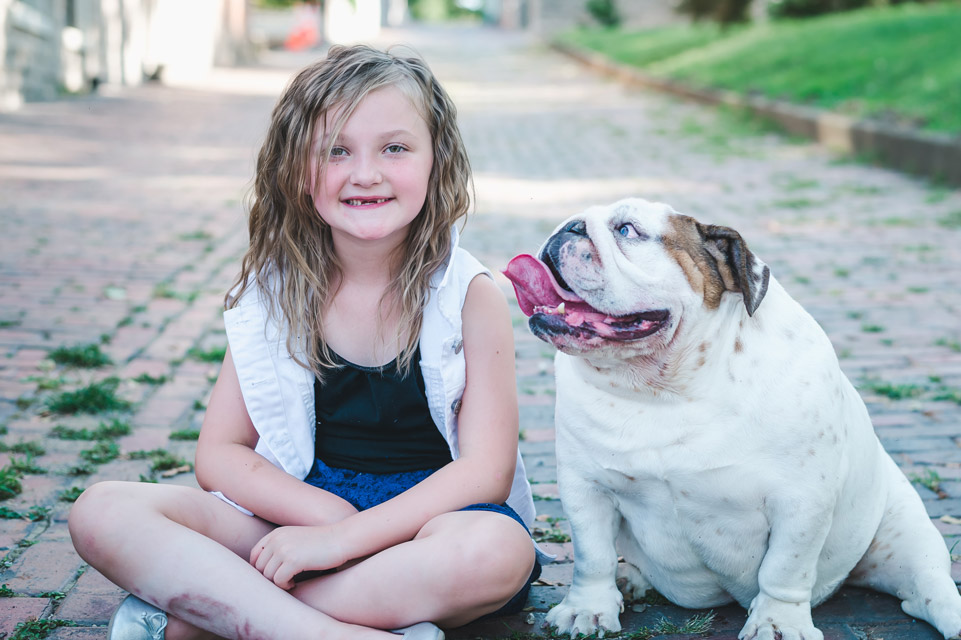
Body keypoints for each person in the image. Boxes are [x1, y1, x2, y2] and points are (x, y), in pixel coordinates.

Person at [68, 44, 545, 640]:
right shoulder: (274, 295)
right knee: (104, 510)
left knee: (497, 551)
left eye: (394, 148)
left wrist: (347, 540)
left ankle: (212, 616)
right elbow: (219, 455)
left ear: (435, 161)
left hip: (429, 526)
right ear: (297, 169)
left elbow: (485, 472)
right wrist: (325, 518)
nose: (365, 173)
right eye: (335, 150)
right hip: (297, 511)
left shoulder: (468, 295)